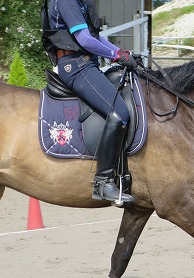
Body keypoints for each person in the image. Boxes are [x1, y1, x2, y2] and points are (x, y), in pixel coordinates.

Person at [42, 0, 136, 205]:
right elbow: (83, 39)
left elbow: (95, 37)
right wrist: (115, 55)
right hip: (75, 66)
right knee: (119, 112)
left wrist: (120, 53)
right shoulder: (66, 1)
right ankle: (102, 182)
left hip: (87, 63)